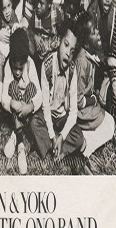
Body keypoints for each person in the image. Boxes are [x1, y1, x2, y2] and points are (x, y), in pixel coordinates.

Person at [28, 25, 84, 161]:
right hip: (47, 115)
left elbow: (73, 112)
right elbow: (46, 106)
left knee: (78, 137)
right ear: (59, 41)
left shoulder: (72, 70)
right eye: (66, 45)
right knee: (34, 122)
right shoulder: (47, 65)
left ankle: (56, 148)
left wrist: (62, 136)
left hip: (61, 117)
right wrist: (53, 136)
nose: (68, 54)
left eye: (72, 51)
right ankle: (54, 147)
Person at [73, 12, 116, 164]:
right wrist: (93, 99)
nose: (97, 32)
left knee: (109, 122)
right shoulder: (82, 62)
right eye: (93, 32)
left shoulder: (90, 57)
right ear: (86, 44)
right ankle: (85, 149)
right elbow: (78, 100)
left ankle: (85, 139)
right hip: (81, 113)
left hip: (88, 109)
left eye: (96, 29)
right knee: (109, 124)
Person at [1, 29, 42, 174]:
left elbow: (39, 95)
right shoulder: (8, 64)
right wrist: (12, 104)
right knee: (13, 85)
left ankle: (16, 134)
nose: (17, 72)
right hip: (15, 105)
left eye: (20, 68)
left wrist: (30, 106)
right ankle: (20, 144)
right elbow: (4, 97)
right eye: (15, 68)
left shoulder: (30, 64)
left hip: (26, 105)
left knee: (31, 87)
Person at [0, 0, 21, 106]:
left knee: (1, 63)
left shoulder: (13, 15)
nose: (7, 11)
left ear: (12, 4)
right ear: (0, 9)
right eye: (4, 8)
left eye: (9, 6)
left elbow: (17, 34)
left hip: (8, 48)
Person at [26, 0, 63, 67]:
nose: (38, 6)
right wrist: (34, 36)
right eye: (37, 2)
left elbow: (62, 34)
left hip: (52, 54)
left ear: (49, 4)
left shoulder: (56, 15)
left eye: (41, 3)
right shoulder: (35, 15)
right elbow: (29, 31)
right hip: (38, 55)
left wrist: (53, 44)